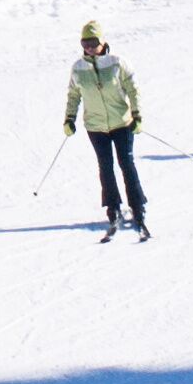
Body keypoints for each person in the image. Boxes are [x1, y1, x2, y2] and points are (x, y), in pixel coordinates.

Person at [63, 21, 150, 242]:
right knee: (105, 166)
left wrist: (137, 115)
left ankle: (138, 207)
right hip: (95, 126)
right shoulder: (78, 68)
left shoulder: (117, 63)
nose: (90, 47)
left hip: (122, 123)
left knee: (126, 163)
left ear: (103, 42)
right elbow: (74, 95)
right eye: (86, 43)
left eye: (94, 43)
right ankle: (113, 209)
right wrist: (69, 118)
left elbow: (133, 88)